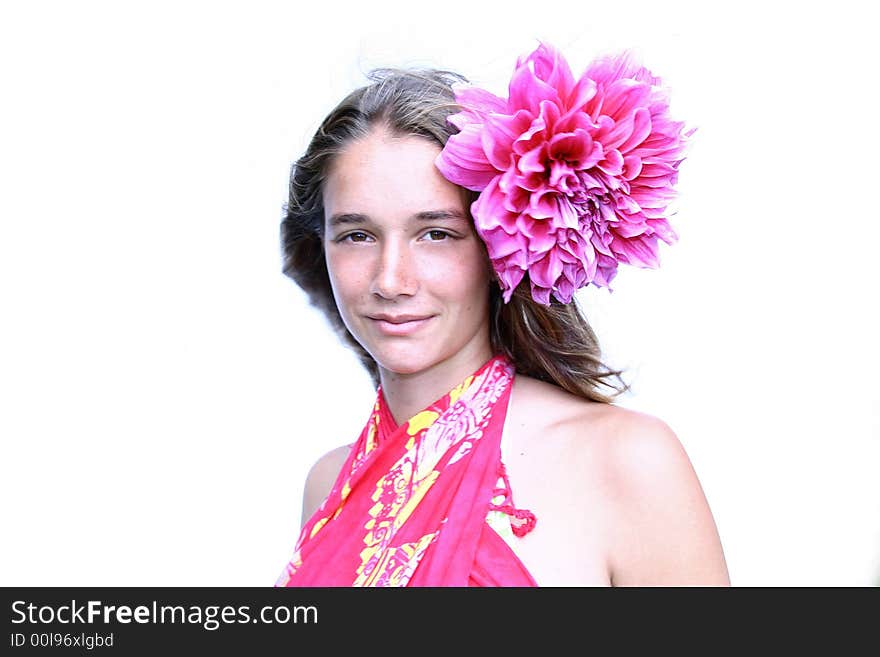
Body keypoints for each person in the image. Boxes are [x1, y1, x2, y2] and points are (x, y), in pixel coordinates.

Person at [275, 43, 730, 586]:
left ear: (499, 245)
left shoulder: (625, 461)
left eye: (436, 234)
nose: (390, 279)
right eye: (356, 235)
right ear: (320, 246)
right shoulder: (328, 485)